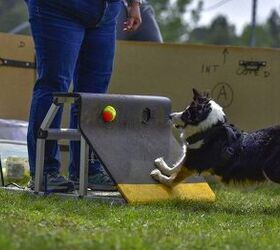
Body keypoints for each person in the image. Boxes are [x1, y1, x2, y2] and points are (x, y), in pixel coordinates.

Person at [25, 0, 142, 192]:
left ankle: (88, 170)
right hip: (57, 7)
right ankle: (44, 171)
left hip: (106, 12)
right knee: (54, 84)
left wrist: (134, 4)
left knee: (94, 94)